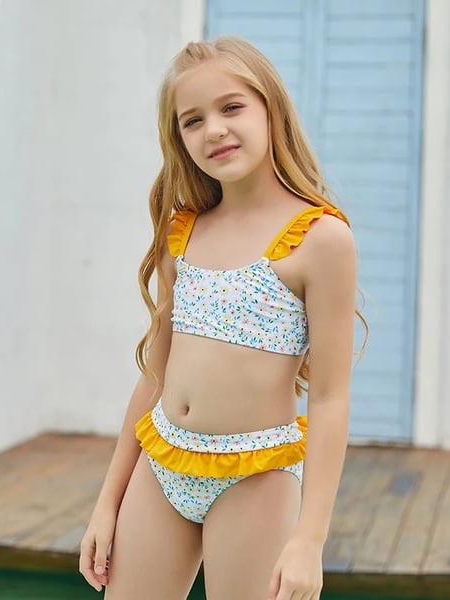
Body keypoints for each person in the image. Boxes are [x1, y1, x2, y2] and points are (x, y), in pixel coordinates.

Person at [79, 35, 363, 600]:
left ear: (270, 109)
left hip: (253, 479)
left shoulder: (320, 240)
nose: (214, 130)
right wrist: (108, 502)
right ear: (178, 138)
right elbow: (155, 375)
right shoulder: (182, 232)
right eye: (192, 120)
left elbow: (330, 398)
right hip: (162, 467)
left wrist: (310, 539)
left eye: (232, 107)